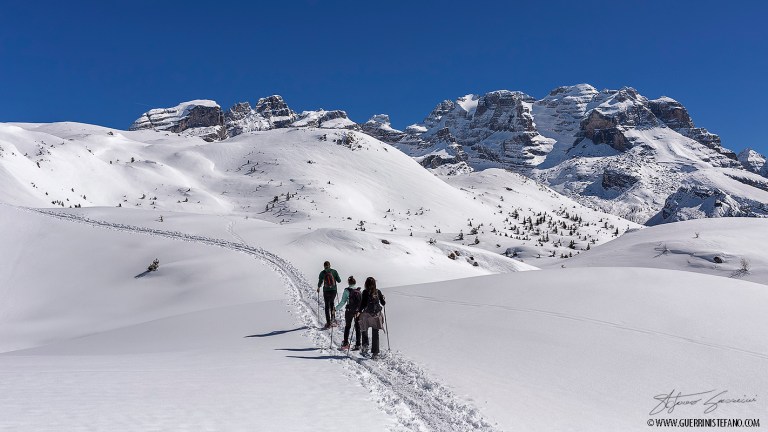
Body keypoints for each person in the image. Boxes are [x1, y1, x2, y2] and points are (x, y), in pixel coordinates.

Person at [357, 276, 386, 359]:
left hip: (367, 315)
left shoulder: (365, 292)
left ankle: (365, 346)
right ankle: (375, 353)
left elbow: (363, 304)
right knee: (375, 333)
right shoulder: (378, 291)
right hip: (376, 315)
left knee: (364, 329)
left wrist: (359, 312)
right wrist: (383, 298)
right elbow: (383, 303)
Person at [335, 276, 362, 351]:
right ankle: (358, 344)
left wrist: (335, 309)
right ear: (355, 282)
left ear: (348, 283)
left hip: (349, 311)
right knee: (357, 328)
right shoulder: (359, 290)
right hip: (357, 312)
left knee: (347, 326)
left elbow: (343, 302)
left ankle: (346, 343)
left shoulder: (347, 291)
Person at [317, 261, 341, 329]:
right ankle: (333, 319)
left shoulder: (322, 273)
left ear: (324, 266)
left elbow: (320, 282)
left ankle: (328, 323)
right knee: (332, 304)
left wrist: (318, 287)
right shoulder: (334, 271)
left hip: (326, 291)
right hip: (333, 290)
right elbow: (339, 281)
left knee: (327, 306)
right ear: (330, 265)